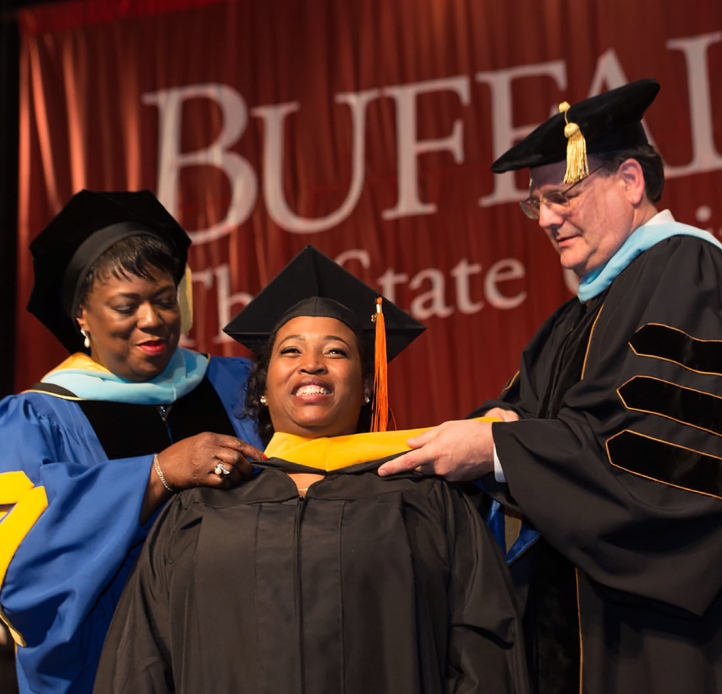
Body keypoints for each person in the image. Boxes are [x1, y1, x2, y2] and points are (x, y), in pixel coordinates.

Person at [377, 78, 722, 693]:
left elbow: (661, 452)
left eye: (563, 195)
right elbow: (521, 415)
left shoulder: (685, 270)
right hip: (581, 626)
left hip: (661, 634)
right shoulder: (577, 314)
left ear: (631, 182)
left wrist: (501, 448)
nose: (548, 219)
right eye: (536, 204)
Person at [93, 245, 529, 694]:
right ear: (262, 388)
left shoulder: (426, 498)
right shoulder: (198, 507)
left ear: (365, 388)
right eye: (291, 350)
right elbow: (141, 660)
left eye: (337, 351)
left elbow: (483, 652)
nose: (312, 364)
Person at [0, 190, 264, 694]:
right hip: (114, 665)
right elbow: (17, 560)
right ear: (82, 315)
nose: (152, 319)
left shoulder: (236, 384)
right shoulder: (35, 419)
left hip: (244, 651)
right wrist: (156, 474)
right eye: (127, 306)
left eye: (165, 300)